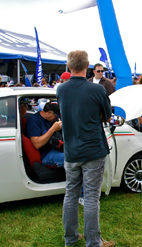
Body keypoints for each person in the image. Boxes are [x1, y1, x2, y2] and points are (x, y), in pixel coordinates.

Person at [57, 50, 114, 247]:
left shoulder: (61, 89)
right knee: (91, 197)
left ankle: (70, 238)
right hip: (93, 150)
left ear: (69, 65)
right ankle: (93, 242)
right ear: (87, 65)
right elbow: (107, 116)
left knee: (71, 194)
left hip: (72, 149)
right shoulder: (97, 90)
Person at [26, 102, 64, 167]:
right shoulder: (34, 121)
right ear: (49, 112)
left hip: (57, 147)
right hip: (45, 153)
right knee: (73, 159)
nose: (55, 118)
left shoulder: (52, 119)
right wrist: (53, 129)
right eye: (55, 117)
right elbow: (37, 144)